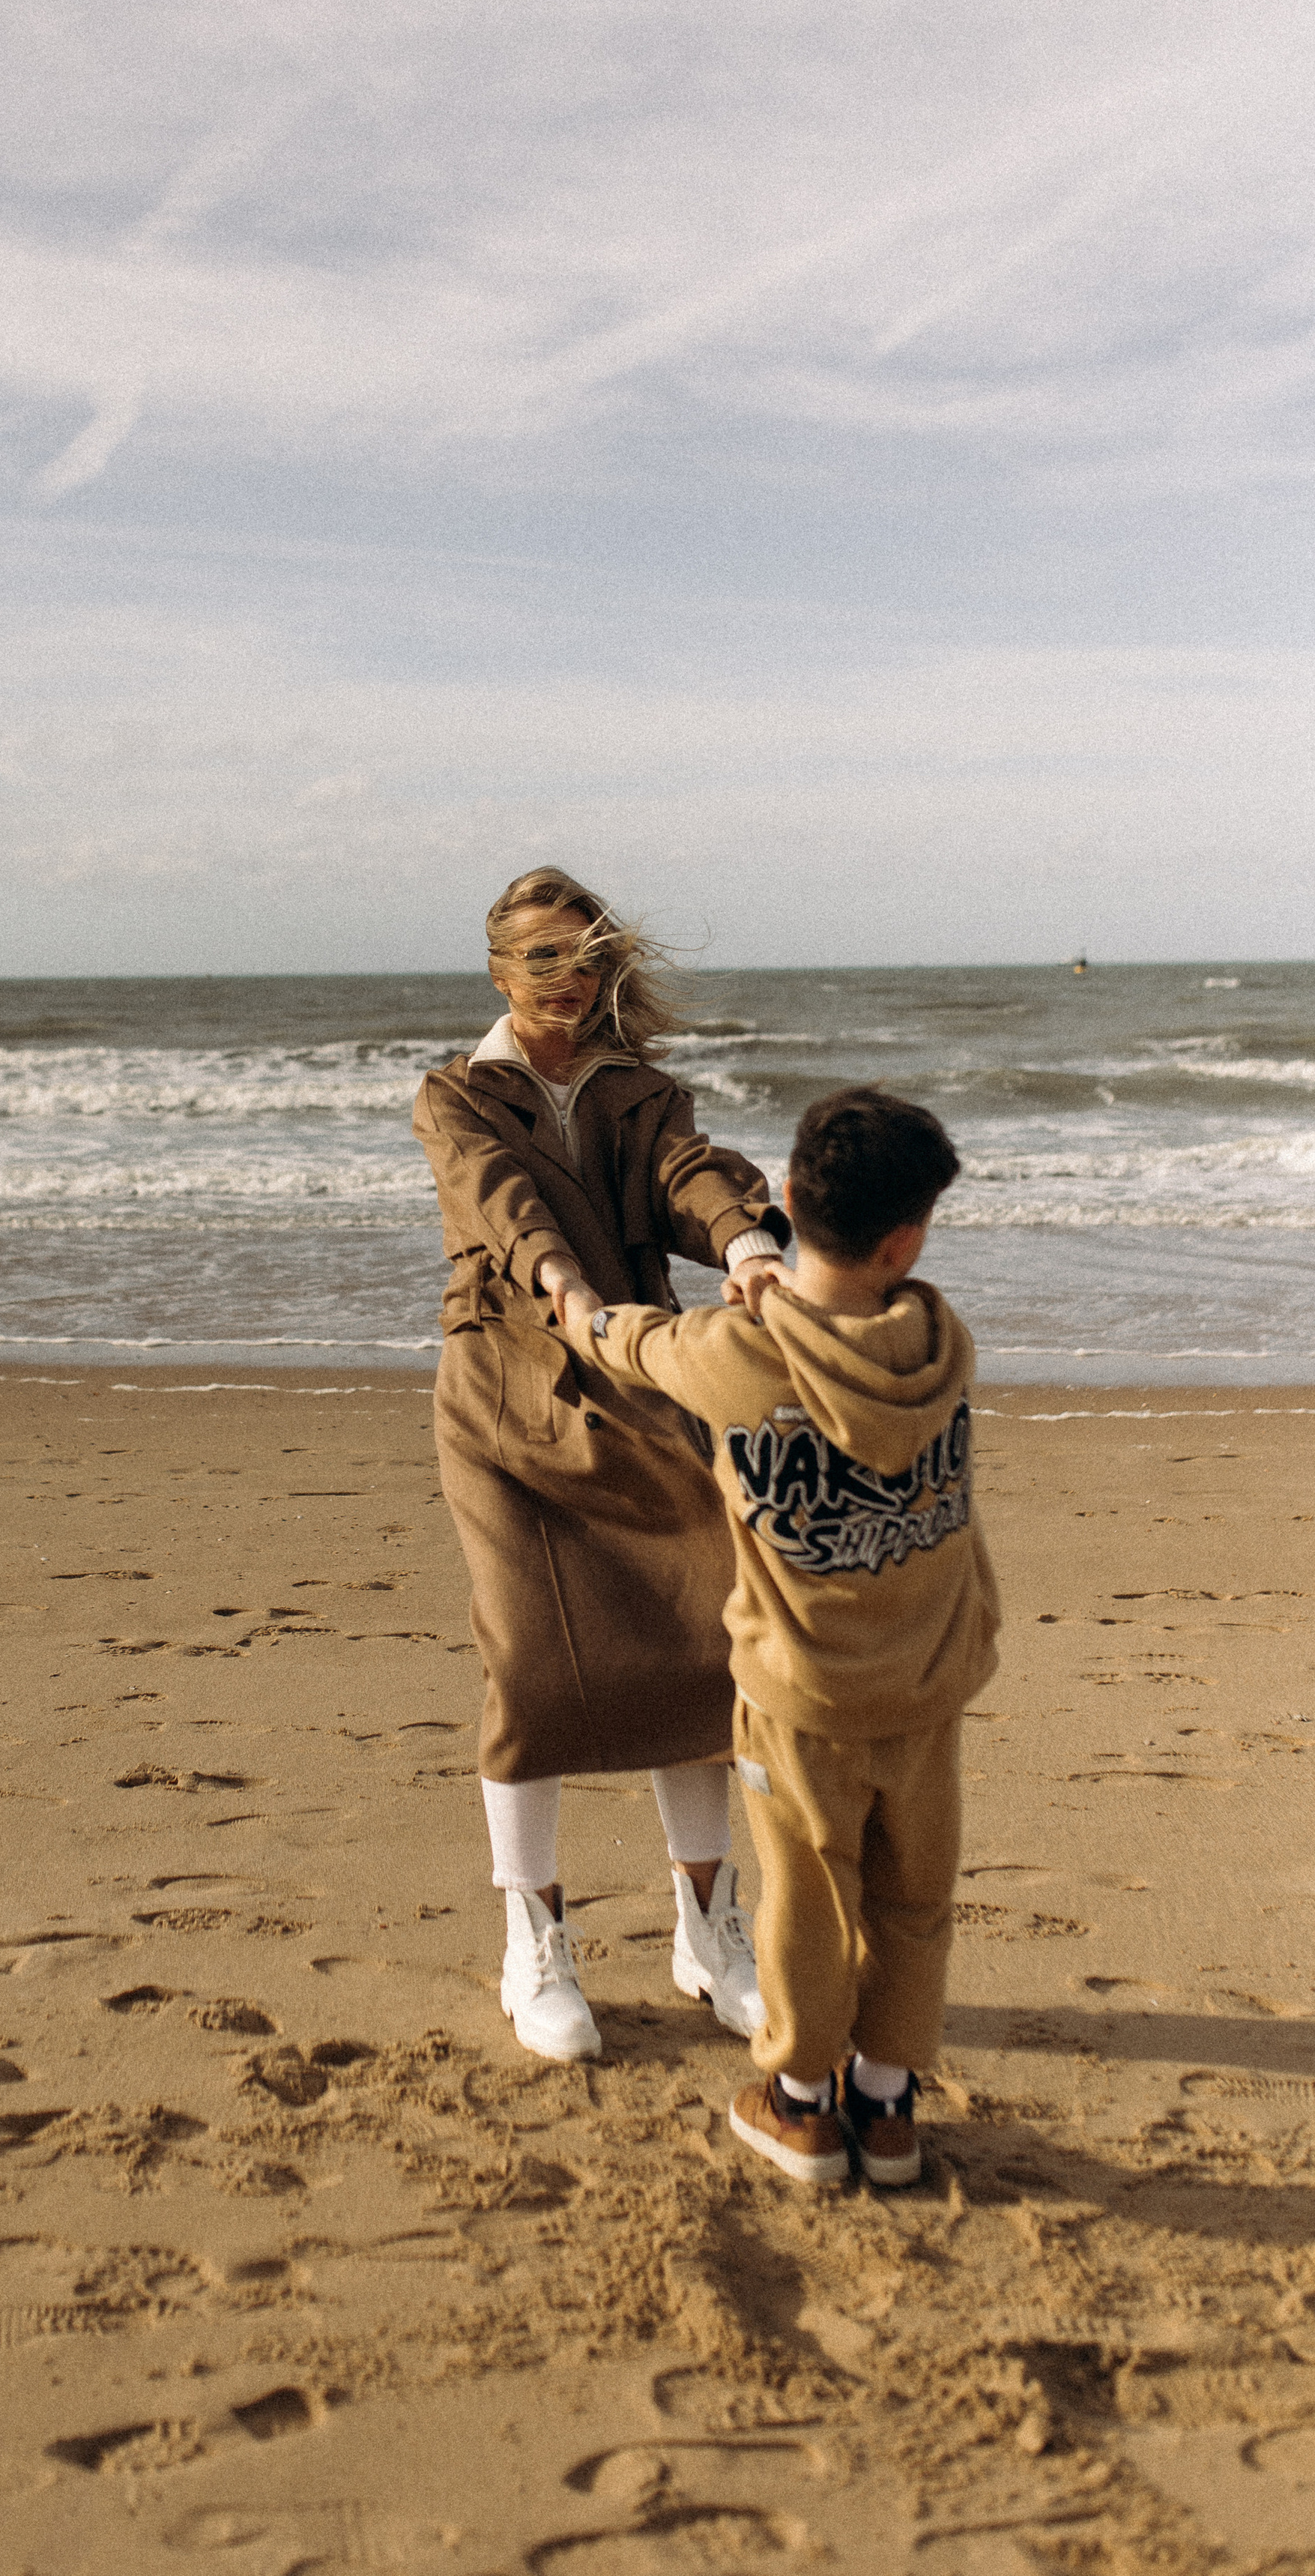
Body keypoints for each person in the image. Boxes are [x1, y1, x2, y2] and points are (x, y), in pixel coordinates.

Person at [558, 1086, 1001, 2186]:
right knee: (914, 1897)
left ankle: (802, 2102)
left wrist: (569, 1300)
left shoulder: (732, 1356)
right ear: (910, 1237)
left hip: (800, 1698)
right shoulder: (943, 1347)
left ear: (791, 1197)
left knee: (809, 1898)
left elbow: (628, 1343)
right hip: (925, 1685)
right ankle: (889, 2109)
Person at [413, 866, 791, 2065]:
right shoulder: (458, 1093)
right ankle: (535, 1942)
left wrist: (748, 1245)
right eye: (540, 961)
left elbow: (693, 1176)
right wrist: (560, 1283)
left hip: (639, 1370)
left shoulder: (640, 1092)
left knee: (699, 1644)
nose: (568, 980)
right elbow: (499, 1199)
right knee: (531, 1664)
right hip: (508, 1386)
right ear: (496, 972)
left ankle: (706, 1933)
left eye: (586, 957)